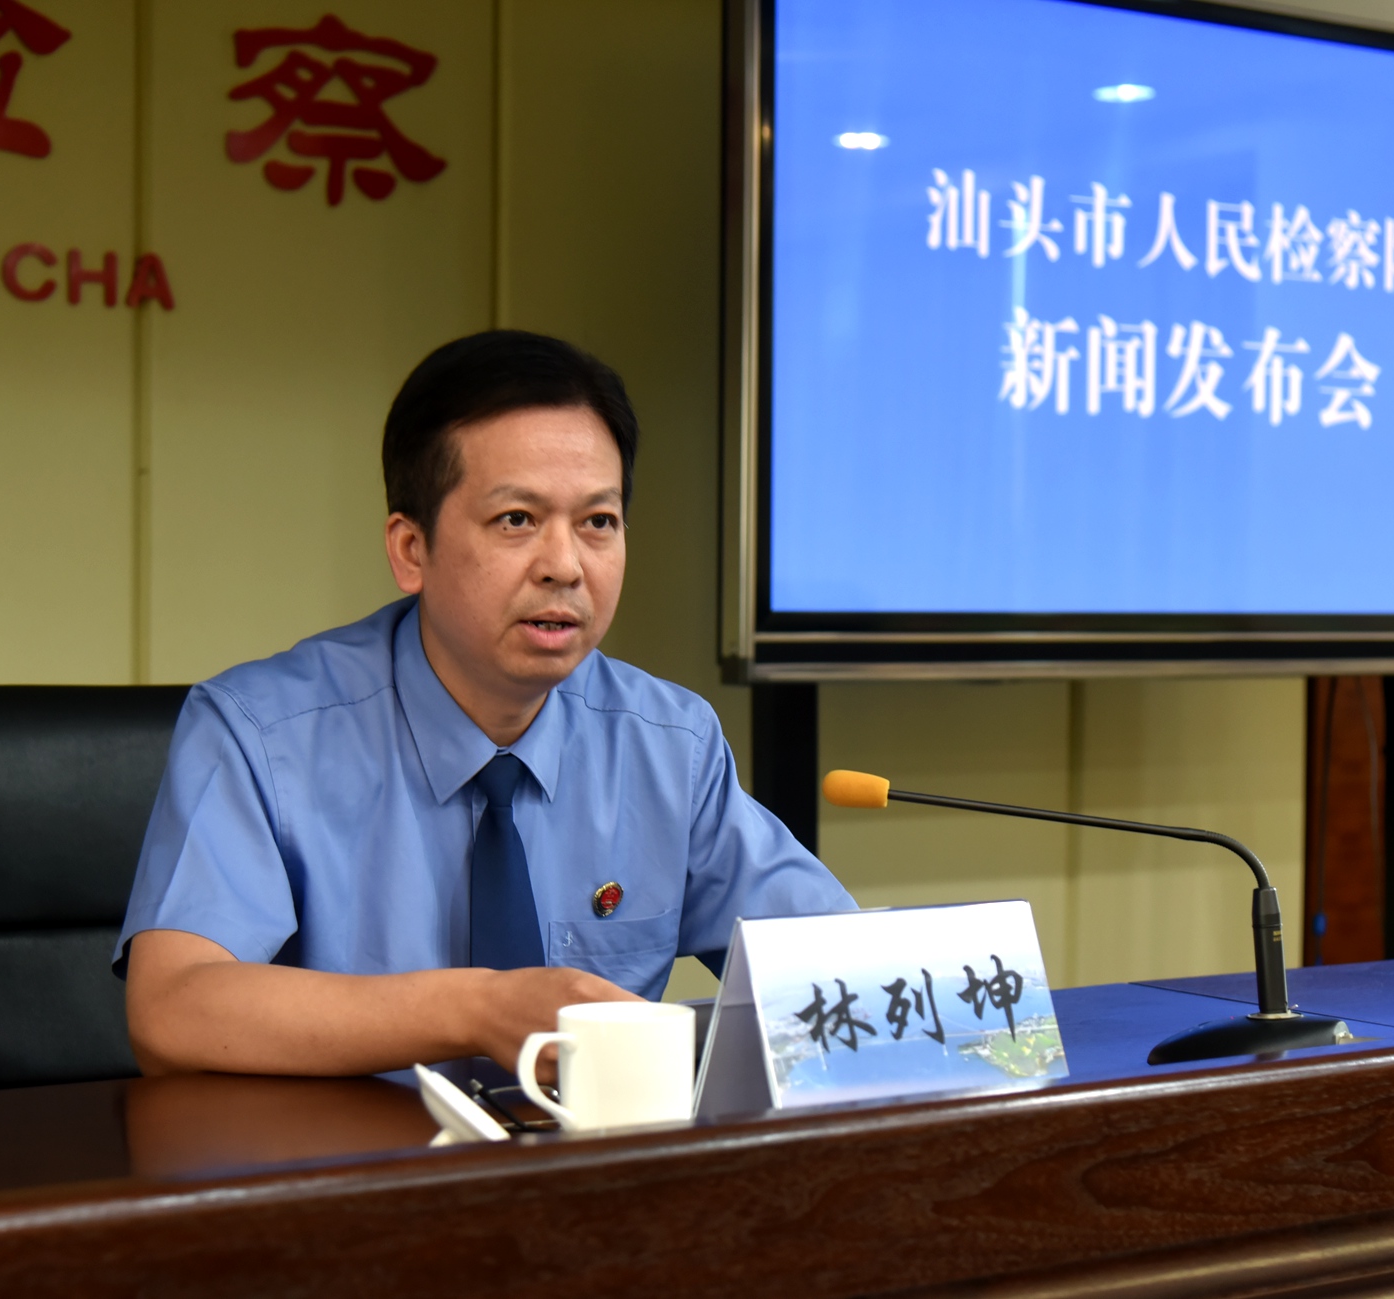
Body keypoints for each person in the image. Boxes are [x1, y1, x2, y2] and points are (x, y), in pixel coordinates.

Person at [117, 330, 854, 1078]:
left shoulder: (668, 744)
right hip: (357, 1149)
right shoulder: (261, 735)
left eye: (598, 522)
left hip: (599, 1151)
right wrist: (475, 1010)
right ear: (411, 550)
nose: (565, 565)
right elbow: (173, 1008)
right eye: (517, 520)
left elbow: (843, 971)